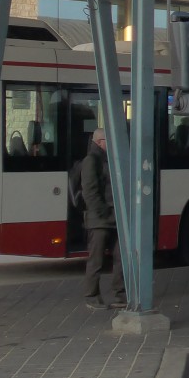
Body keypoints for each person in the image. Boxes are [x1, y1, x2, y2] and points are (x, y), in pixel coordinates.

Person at [81, 127, 126, 310]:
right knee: (96, 260)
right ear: (100, 142)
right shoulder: (91, 160)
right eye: (109, 141)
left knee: (120, 258)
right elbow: (90, 192)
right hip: (100, 219)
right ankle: (92, 296)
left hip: (112, 217)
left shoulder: (106, 159)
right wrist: (104, 213)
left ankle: (120, 295)